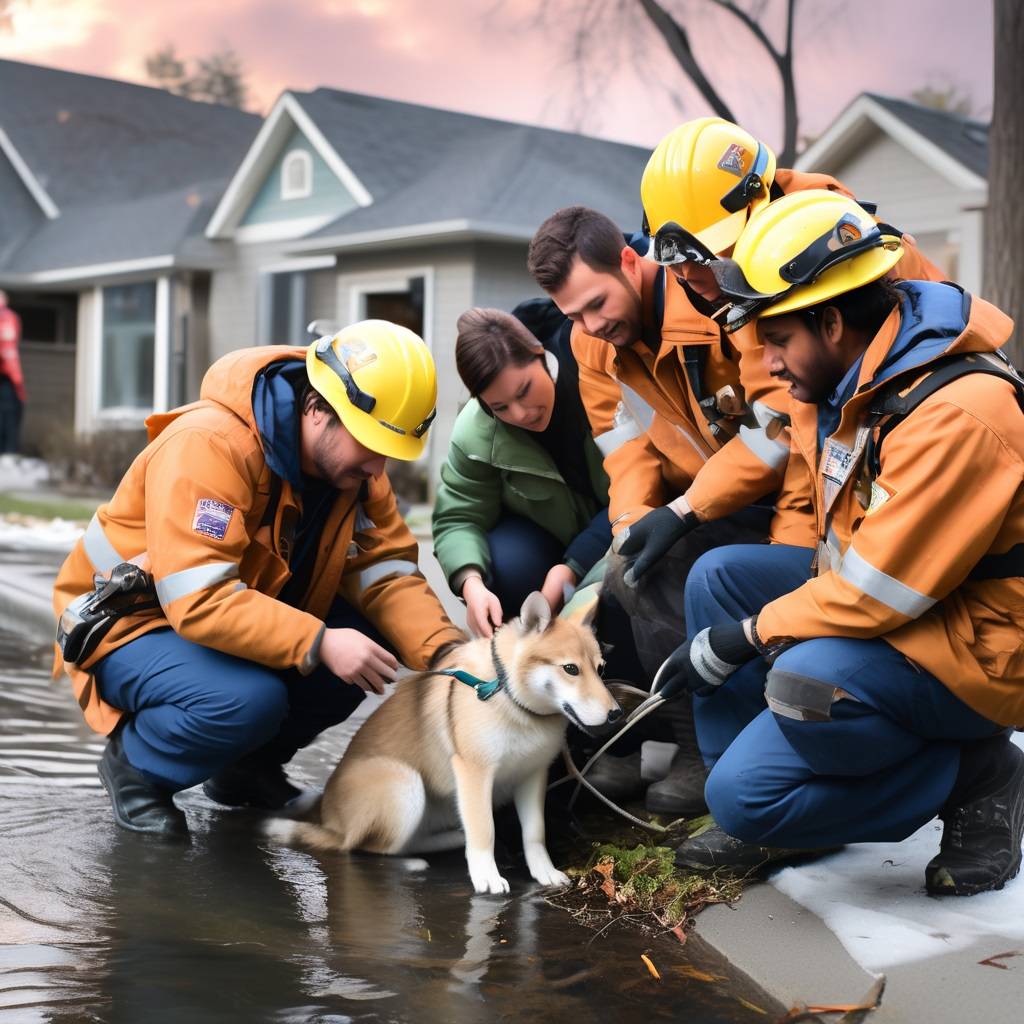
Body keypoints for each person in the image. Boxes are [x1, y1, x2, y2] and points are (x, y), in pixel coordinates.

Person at [661, 189, 1024, 897]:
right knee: (719, 575)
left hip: (983, 643)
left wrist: (750, 635)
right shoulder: (854, 382)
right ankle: (751, 789)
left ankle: (978, 776)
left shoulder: (955, 412)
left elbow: (872, 591)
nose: (764, 364)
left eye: (776, 340)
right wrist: (686, 522)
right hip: (913, 603)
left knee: (798, 688)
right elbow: (829, 528)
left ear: (831, 321)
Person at [53, 320, 466, 838]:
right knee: (249, 699)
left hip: (224, 616)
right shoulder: (210, 446)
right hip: (125, 625)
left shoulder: (355, 473)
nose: (379, 468)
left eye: (390, 450)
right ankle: (137, 769)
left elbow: (387, 573)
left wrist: (449, 654)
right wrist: (318, 640)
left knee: (369, 641)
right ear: (319, 410)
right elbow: (198, 598)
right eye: (371, 445)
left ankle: (244, 770)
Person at [432, 304, 612, 636]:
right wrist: (471, 584)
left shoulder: (598, 380)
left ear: (540, 354)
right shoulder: (475, 431)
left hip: (622, 526)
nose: (521, 413)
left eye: (524, 391)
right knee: (505, 564)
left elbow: (641, 490)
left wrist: (573, 567)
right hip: (546, 542)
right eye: (499, 407)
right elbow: (459, 517)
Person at [0, 290, 26, 454]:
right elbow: (9, 350)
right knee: (9, 412)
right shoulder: (8, 318)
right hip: (6, 375)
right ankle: (7, 451)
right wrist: (16, 379)